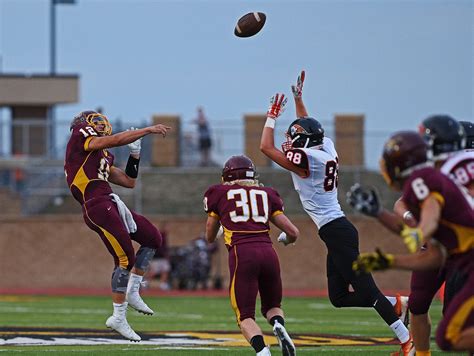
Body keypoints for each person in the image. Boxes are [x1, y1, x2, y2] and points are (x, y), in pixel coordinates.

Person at [259, 71, 412, 355]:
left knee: (368, 291)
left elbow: (265, 147)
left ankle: (407, 342)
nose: (290, 142)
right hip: (336, 230)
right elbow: (310, 128)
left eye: (294, 139)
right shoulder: (324, 147)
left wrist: (271, 115)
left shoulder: (308, 161)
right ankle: (396, 304)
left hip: (336, 230)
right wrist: (298, 99)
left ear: (303, 144)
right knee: (339, 297)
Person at [348, 115, 472, 356]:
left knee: (452, 333)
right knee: (449, 331)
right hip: (460, 254)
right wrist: (391, 257)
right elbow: (434, 253)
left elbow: (432, 216)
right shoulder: (442, 175)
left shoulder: (438, 178)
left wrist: (418, 231)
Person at [64, 110, 171, 341]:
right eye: (96, 122)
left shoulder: (100, 155)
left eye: (103, 123)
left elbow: (128, 182)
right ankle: (118, 316)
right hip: (96, 205)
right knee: (125, 259)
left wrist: (135, 154)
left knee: (153, 238)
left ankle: (133, 291)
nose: (101, 126)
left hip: (110, 201)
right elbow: (111, 140)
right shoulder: (80, 136)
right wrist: (146, 130)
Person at [203, 155, 299, 356]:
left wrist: (218, 231)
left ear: (226, 176)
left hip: (242, 253)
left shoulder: (218, 193)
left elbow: (209, 236)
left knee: (245, 315)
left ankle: (262, 351)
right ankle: (278, 325)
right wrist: (286, 239)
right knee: (273, 305)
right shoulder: (267, 193)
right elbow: (293, 232)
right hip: (268, 251)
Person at [147, 224, 171, 290]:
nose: (169, 229)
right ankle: (145, 283)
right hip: (156, 257)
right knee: (153, 272)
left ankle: (163, 284)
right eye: (167, 227)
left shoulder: (165, 236)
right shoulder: (160, 235)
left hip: (162, 257)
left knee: (165, 270)